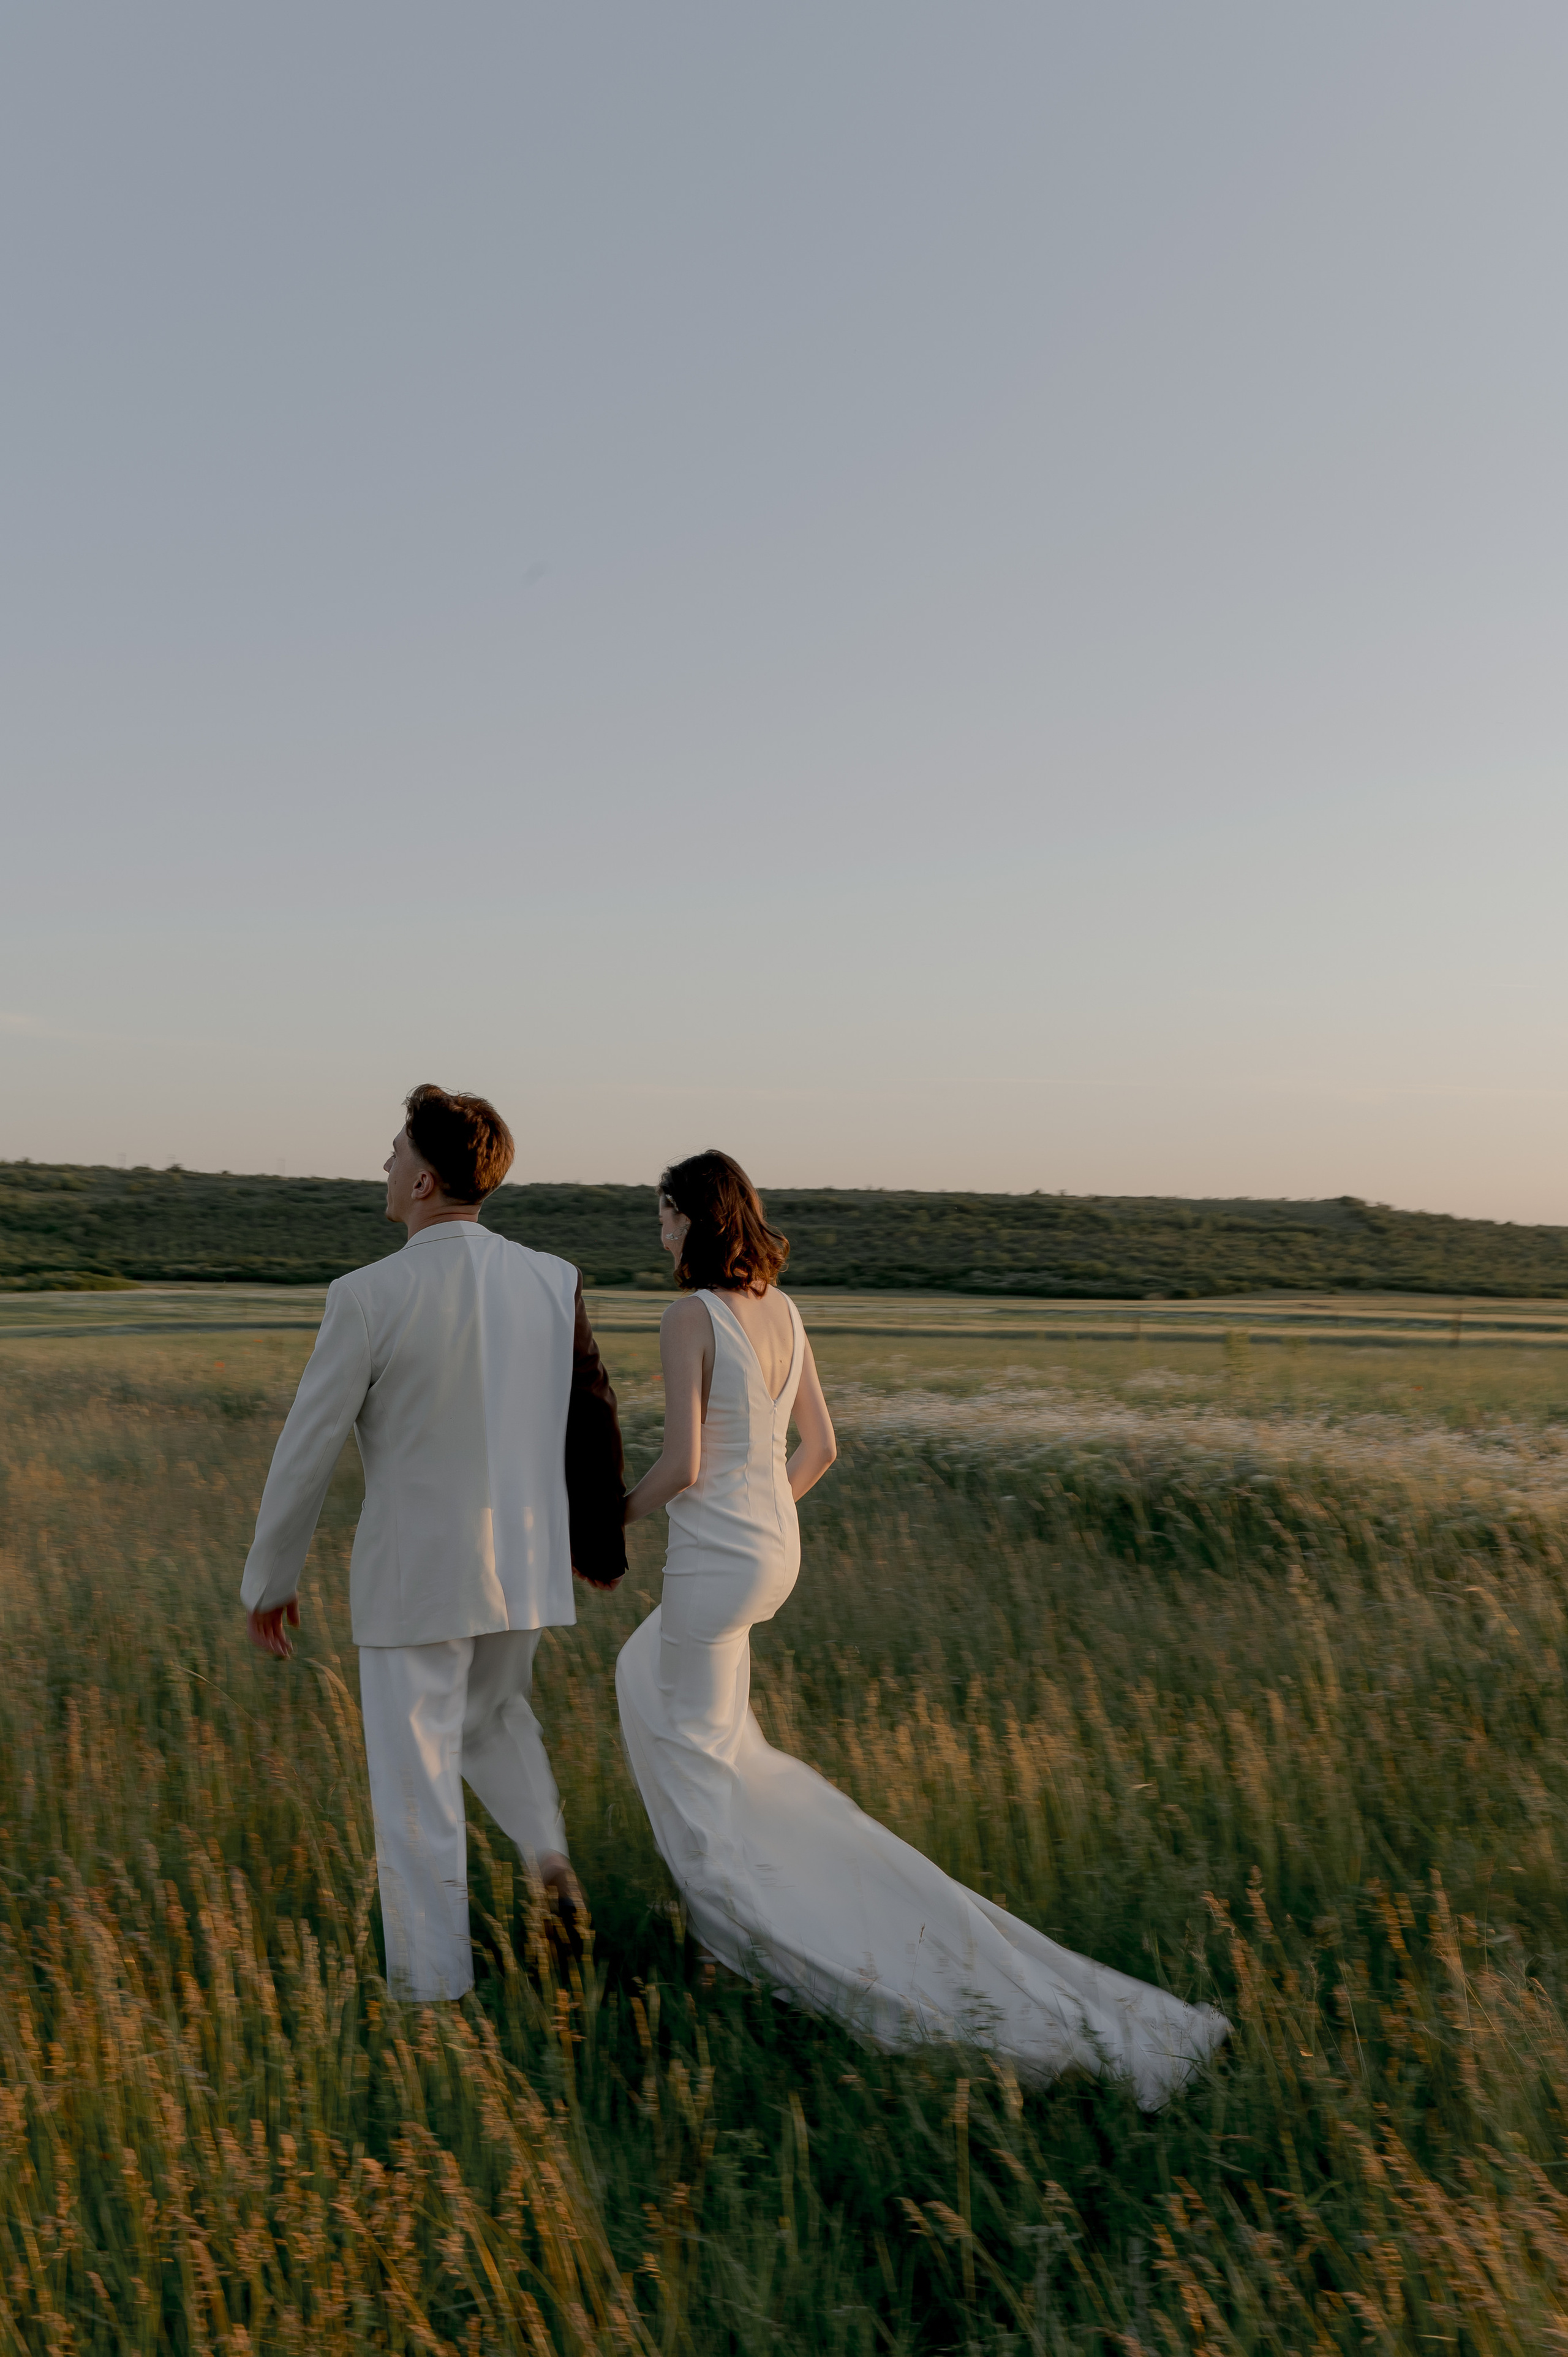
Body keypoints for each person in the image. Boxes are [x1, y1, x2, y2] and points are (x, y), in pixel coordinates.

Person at [615, 1150, 1229, 2109]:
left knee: (697, 1764)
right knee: (666, 1695)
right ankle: (744, 1891)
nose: (659, 1232)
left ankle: (741, 1938)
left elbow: (684, 1466)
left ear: (697, 1216)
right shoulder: (785, 1311)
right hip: (771, 1553)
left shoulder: (689, 1316)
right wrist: (759, 1514)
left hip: (715, 1566)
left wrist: (604, 1518)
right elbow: (821, 1447)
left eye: (664, 1213)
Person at [241, 1084, 625, 2000]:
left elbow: (306, 1451)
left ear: (423, 1181)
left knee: (415, 1787)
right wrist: (595, 1544)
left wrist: (271, 1581)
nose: (384, 1163)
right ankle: (547, 1857)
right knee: (495, 1720)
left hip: (416, 1581)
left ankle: (431, 1994)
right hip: (525, 1571)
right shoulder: (552, 1278)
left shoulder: (367, 1295)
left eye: (394, 1151)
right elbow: (593, 1416)